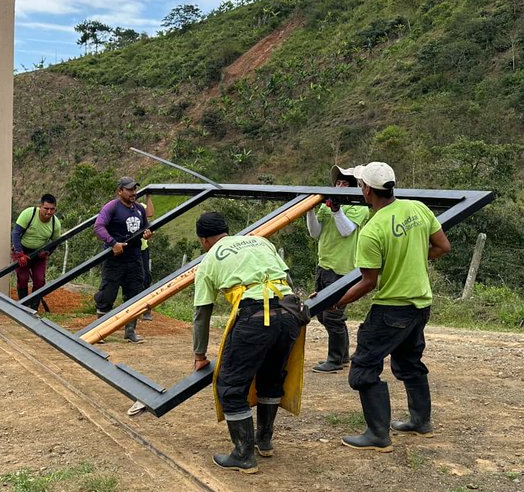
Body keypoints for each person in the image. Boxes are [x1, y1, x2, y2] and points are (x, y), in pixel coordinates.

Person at [329, 162, 450, 451]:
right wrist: (413, 260)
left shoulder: (373, 230)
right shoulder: (418, 208)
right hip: (420, 304)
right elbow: (443, 247)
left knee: (364, 366)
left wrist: (337, 302)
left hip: (392, 309)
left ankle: (378, 435)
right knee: (409, 362)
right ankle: (421, 421)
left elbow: (368, 282)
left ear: (366, 189)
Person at [191, 212, 306, 473]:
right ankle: (264, 441)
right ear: (227, 231)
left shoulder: (209, 261)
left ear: (204, 240)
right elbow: (287, 281)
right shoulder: (259, 241)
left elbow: (202, 313)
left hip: (254, 317)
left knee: (231, 385)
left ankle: (243, 454)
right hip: (289, 315)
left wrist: (199, 355)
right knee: (271, 377)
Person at [306, 165, 370, 372]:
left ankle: (334, 360)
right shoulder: (328, 204)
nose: (340, 186)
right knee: (323, 315)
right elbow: (315, 233)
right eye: (338, 183)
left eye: (344, 183)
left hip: (344, 269)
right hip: (324, 264)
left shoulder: (359, 206)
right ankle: (342, 355)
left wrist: (336, 209)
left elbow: (346, 230)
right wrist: (309, 210)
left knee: (333, 315)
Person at [93, 177, 152, 343]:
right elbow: (98, 226)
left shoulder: (139, 209)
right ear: (120, 191)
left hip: (134, 258)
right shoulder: (112, 207)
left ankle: (130, 331)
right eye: (130, 190)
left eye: (135, 189)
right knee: (107, 293)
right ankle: (99, 332)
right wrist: (113, 243)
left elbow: (145, 227)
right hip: (114, 259)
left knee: (134, 294)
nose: (134, 193)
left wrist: (147, 233)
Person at [11, 193, 61, 309]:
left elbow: (55, 242)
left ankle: (33, 308)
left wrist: (47, 252)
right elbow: (16, 233)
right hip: (22, 250)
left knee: (39, 280)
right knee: (23, 278)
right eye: (46, 208)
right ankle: (23, 305)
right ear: (40, 206)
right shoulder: (29, 214)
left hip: (39, 254)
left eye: (52, 209)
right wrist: (19, 253)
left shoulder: (55, 224)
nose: (49, 212)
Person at [140, 194, 155, 321]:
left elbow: (149, 213)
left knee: (145, 278)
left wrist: (148, 196)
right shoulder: (118, 207)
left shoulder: (139, 206)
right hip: (127, 249)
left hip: (142, 249)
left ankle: (146, 309)